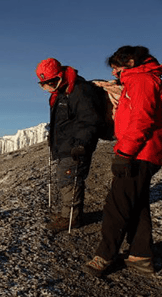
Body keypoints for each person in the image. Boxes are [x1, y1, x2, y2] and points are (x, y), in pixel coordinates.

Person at [84, 46, 162, 277]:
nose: (113, 73)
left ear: (130, 62)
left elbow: (142, 120)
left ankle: (105, 256)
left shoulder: (142, 81)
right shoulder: (142, 80)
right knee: (136, 204)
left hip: (139, 153)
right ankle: (141, 255)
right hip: (144, 152)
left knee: (116, 206)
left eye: (116, 67)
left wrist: (125, 153)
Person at [36, 58, 105, 233]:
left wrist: (81, 144)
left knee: (70, 180)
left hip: (75, 147)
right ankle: (68, 214)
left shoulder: (80, 91)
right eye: (44, 84)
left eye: (51, 82)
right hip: (65, 146)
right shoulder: (61, 93)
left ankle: (72, 218)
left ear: (60, 76)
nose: (49, 87)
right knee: (64, 179)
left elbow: (90, 120)